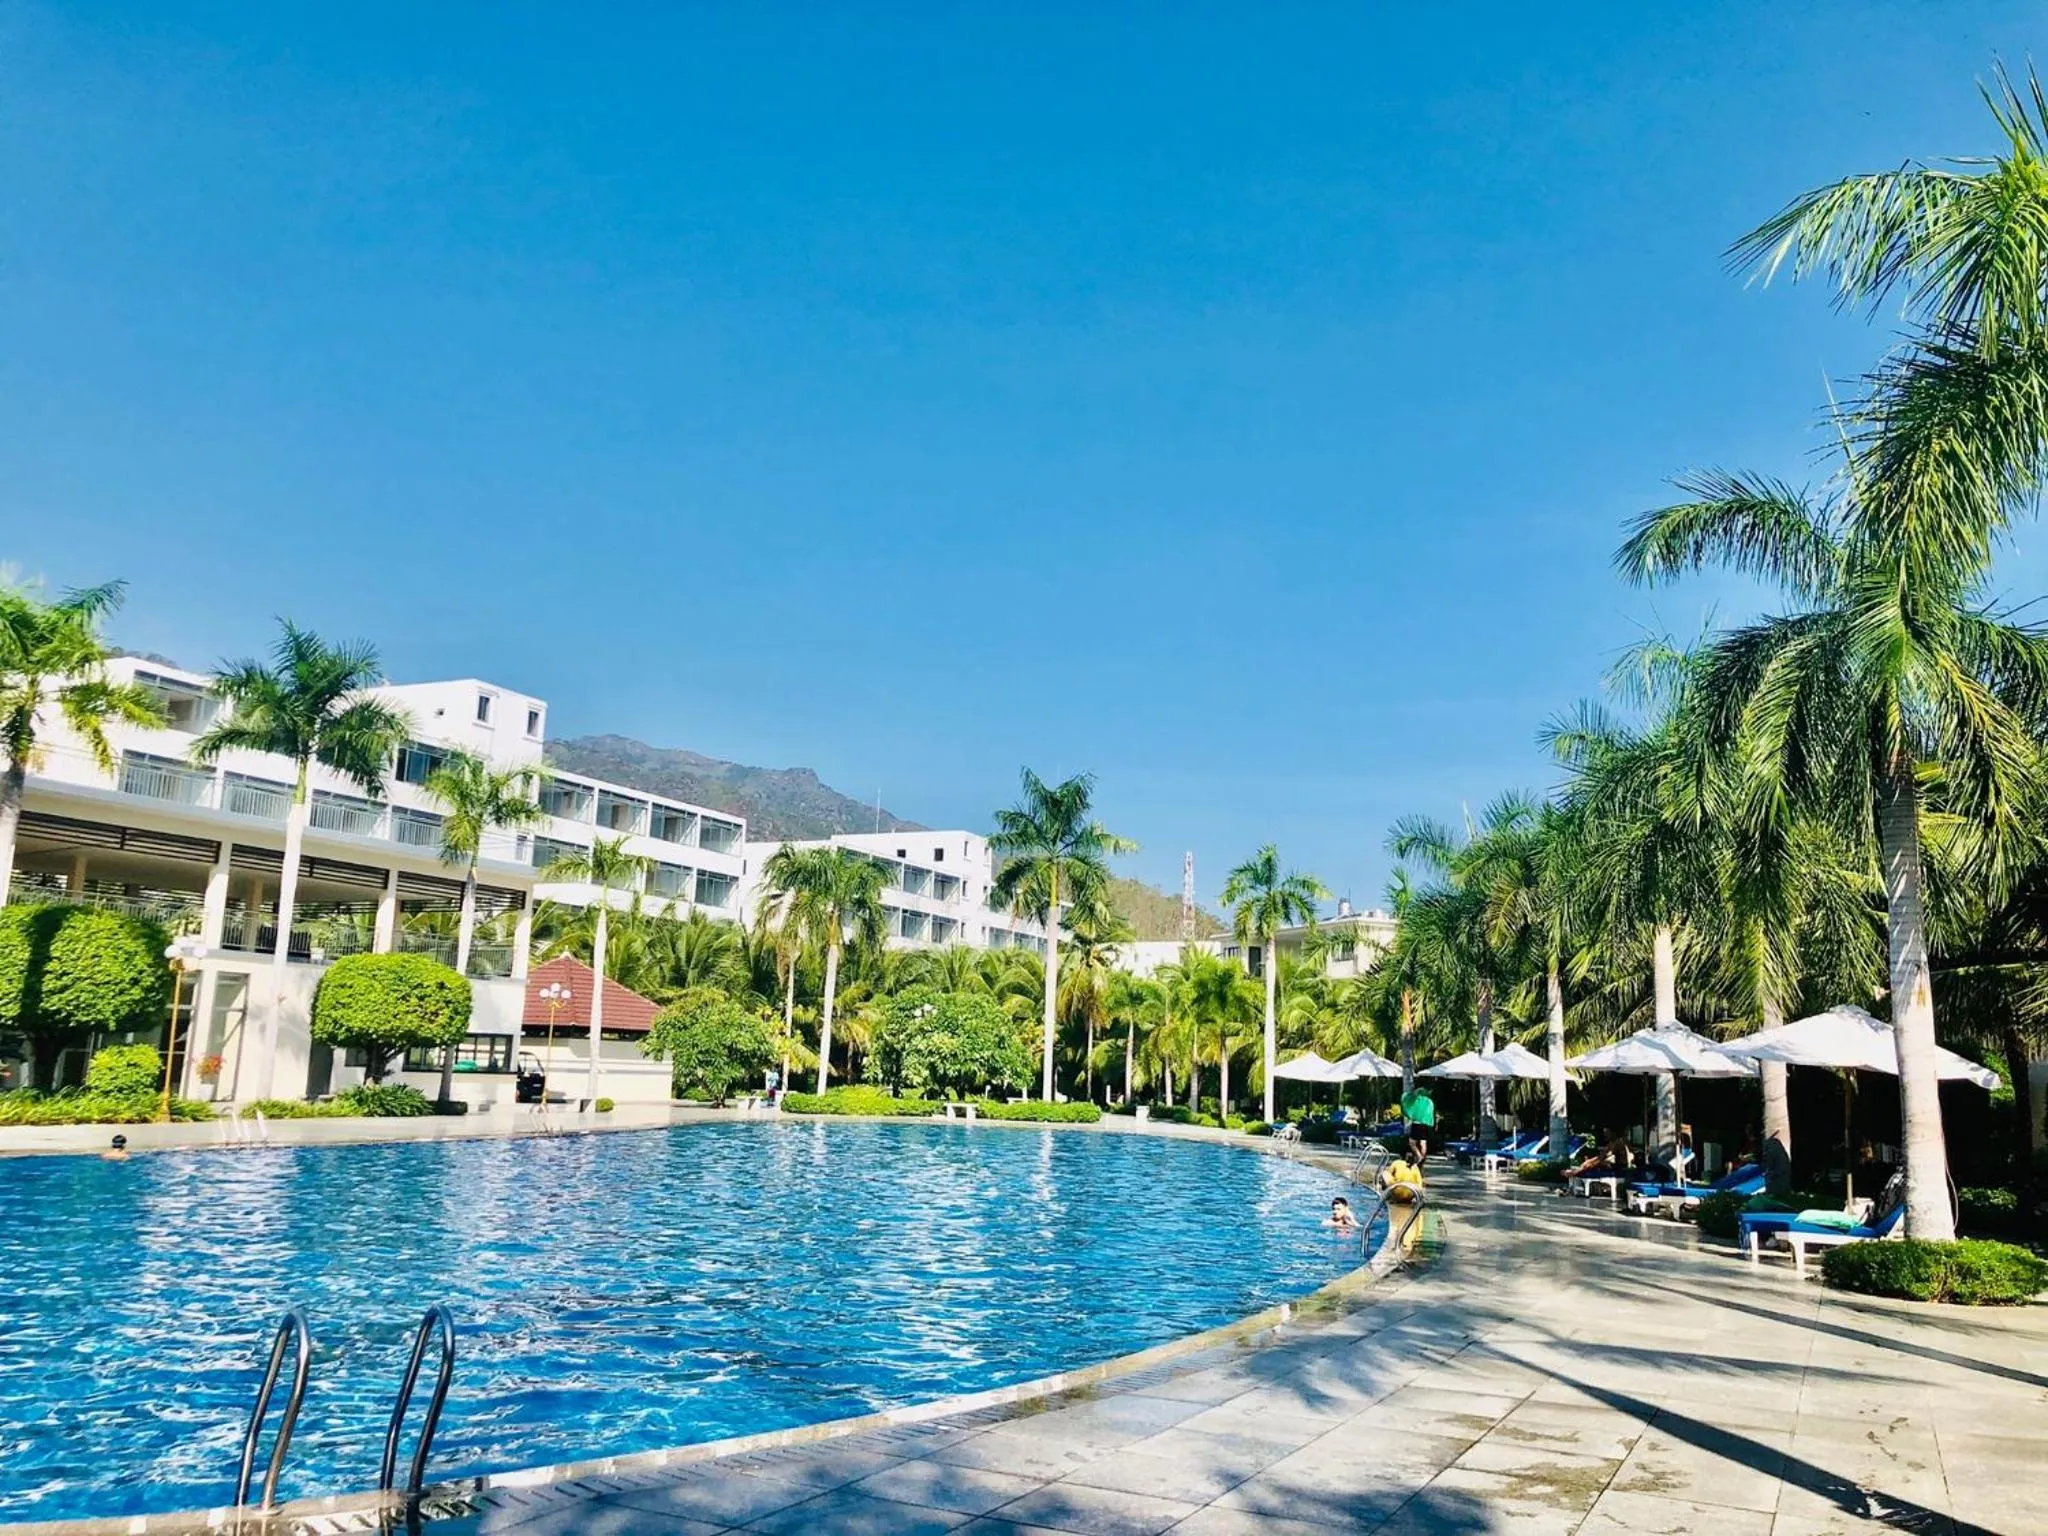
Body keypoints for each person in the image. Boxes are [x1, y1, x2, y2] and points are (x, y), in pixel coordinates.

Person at [1399, 1082, 1436, 1164]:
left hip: (1416, 1124)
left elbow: (1407, 1104)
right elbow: (1431, 1114)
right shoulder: (1429, 1102)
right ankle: (1422, 1158)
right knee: (1423, 1142)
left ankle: (1419, 1156)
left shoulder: (1416, 1100)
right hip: (1426, 1124)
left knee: (1412, 1142)